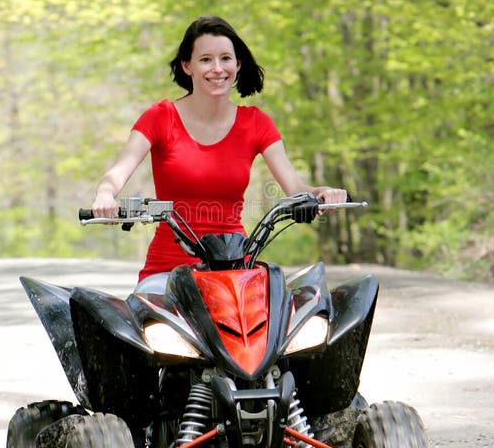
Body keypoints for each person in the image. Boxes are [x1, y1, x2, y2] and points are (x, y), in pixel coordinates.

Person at [91, 15, 346, 286]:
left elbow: (296, 188)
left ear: (237, 64)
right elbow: (118, 172)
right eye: (205, 60)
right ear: (187, 66)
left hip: (235, 267)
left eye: (225, 58)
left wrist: (321, 194)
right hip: (168, 271)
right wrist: (105, 194)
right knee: (135, 323)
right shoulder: (160, 117)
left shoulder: (256, 123)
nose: (217, 68)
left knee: (283, 318)